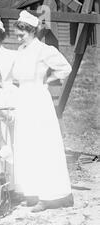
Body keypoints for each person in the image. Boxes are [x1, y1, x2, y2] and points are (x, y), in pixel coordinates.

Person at [11, 10, 73, 212]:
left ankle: (49, 196)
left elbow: (65, 68)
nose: (19, 38)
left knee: (42, 145)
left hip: (38, 99)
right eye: (17, 35)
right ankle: (31, 192)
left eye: (22, 34)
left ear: (32, 31)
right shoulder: (21, 50)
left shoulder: (43, 50)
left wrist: (48, 80)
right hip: (23, 98)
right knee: (26, 145)